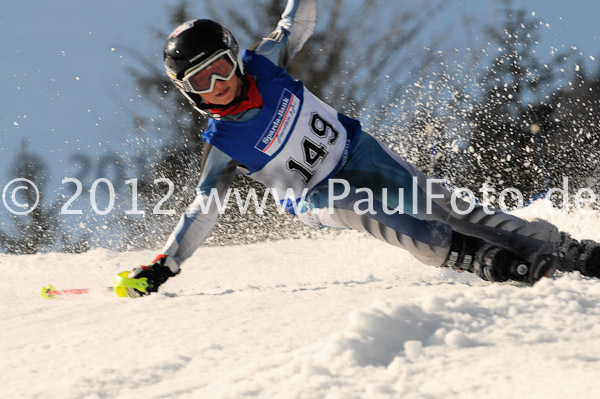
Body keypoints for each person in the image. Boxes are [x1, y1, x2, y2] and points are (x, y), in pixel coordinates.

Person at [120, 0, 600, 297]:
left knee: (449, 206)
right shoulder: (224, 144)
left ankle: (561, 249)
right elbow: (204, 210)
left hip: (361, 155)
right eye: (200, 81)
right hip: (317, 196)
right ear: (188, 93)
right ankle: (470, 257)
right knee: (373, 211)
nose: (217, 84)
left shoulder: (265, 65)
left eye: (221, 68)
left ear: (234, 57)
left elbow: (298, 20)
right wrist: (166, 264)